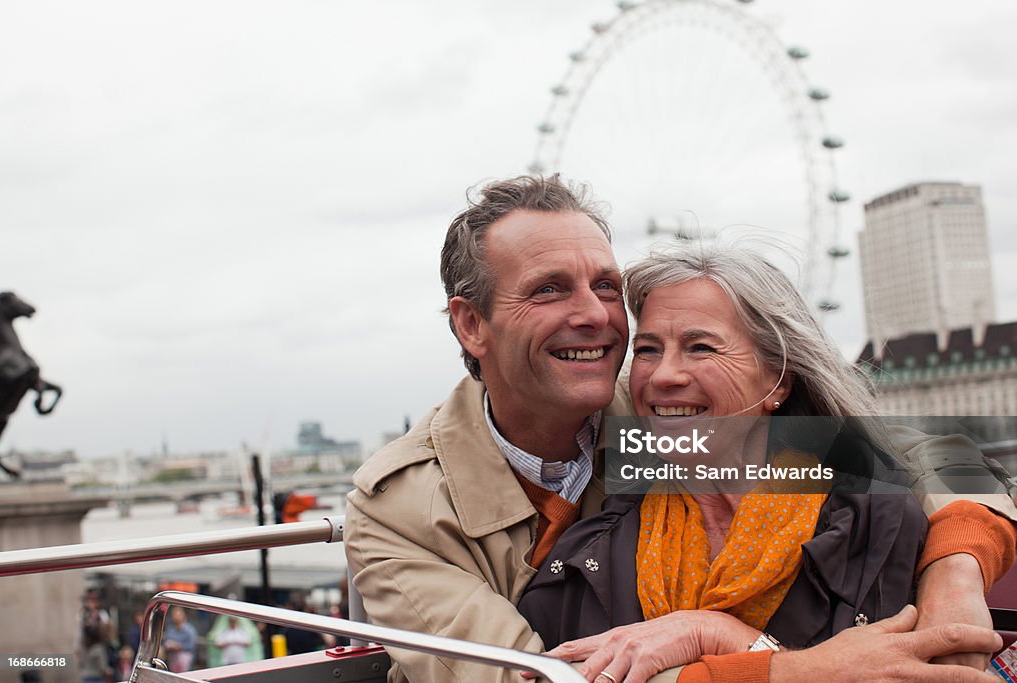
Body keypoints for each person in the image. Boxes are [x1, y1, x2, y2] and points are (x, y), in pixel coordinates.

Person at [344, 175, 1017, 682]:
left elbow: (933, 455)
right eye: (550, 288)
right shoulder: (397, 508)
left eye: (605, 285)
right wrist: (795, 669)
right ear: (470, 324)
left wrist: (954, 577)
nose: (597, 316)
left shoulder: (662, 418)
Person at [520, 245, 1015, 682]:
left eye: (700, 347)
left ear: (777, 382)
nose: (664, 375)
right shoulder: (590, 551)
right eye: (648, 350)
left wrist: (719, 637)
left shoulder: (873, 521)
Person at [162, 606, 197, 673]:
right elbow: (166, 642)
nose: (176, 616)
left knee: (182, 658)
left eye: (178, 614)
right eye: (174, 614)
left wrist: (179, 646)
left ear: (183, 615)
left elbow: (191, 646)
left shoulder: (190, 630)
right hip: (171, 656)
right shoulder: (170, 629)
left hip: (185, 657)